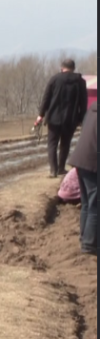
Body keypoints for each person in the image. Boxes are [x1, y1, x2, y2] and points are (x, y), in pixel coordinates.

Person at [36, 59, 89, 178]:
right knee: (65, 144)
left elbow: (46, 98)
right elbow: (83, 102)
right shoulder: (80, 81)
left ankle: (53, 170)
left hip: (54, 118)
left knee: (52, 144)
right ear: (74, 68)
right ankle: (61, 168)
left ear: (61, 68)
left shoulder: (54, 79)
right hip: (71, 119)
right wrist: (81, 119)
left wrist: (41, 115)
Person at [68, 101, 97, 256]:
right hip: (93, 162)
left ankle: (84, 238)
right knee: (95, 205)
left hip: (81, 159)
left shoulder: (93, 108)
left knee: (86, 203)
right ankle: (89, 244)